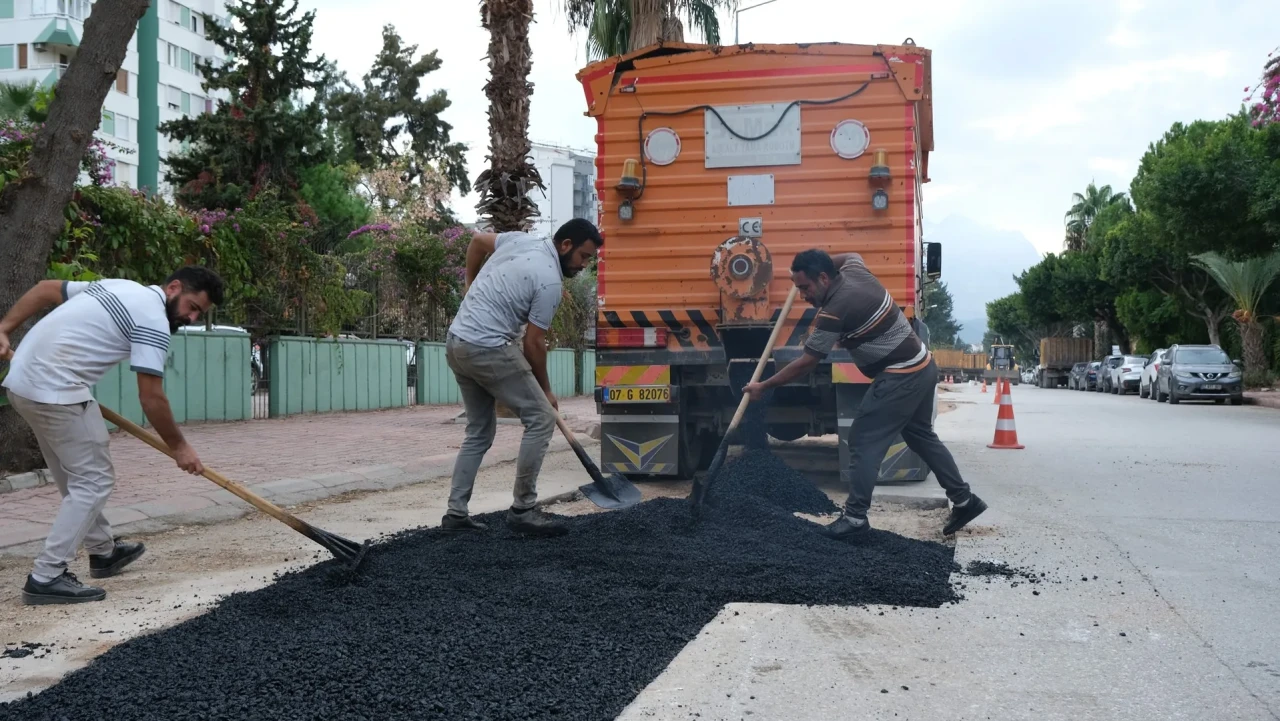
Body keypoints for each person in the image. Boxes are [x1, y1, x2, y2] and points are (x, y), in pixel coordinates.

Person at [0, 267, 224, 604]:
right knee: (92, 481)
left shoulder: (122, 286)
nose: (190, 317)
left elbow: (46, 288)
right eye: (191, 306)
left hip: (24, 383)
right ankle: (46, 576)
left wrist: (3, 328)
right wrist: (179, 447)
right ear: (174, 287)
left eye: (198, 314)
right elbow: (151, 397)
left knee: (73, 477)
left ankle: (103, 551)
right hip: (54, 388)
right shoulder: (154, 321)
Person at [743, 250, 987, 539]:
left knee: (861, 439)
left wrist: (764, 386)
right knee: (920, 435)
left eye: (805, 288)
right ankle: (964, 500)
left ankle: (855, 519)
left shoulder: (835, 309)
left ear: (824, 278)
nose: (802, 295)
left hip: (902, 375)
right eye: (797, 288)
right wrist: (815, 265)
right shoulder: (855, 272)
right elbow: (852, 255)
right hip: (922, 366)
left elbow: (807, 362)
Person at [442, 219, 602, 537]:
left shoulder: (521, 240)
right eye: (584, 257)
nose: (584, 265)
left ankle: (456, 513)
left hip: (457, 341)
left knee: (479, 431)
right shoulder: (549, 282)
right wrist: (546, 391)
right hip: (488, 347)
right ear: (566, 245)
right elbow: (533, 343)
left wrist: (470, 285)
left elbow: (476, 241)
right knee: (542, 418)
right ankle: (523, 510)